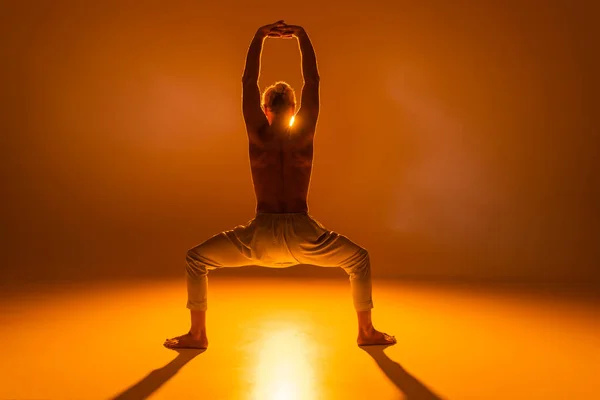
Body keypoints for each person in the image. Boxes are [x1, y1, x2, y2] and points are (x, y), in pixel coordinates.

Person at [164, 21, 396, 349]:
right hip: (304, 233)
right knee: (358, 260)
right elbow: (312, 81)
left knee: (195, 260)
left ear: (265, 109)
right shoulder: (304, 134)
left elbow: (248, 81)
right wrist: (301, 36)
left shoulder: (258, 134)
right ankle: (366, 331)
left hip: (260, 235)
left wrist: (260, 36)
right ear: (294, 109)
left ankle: (198, 334)